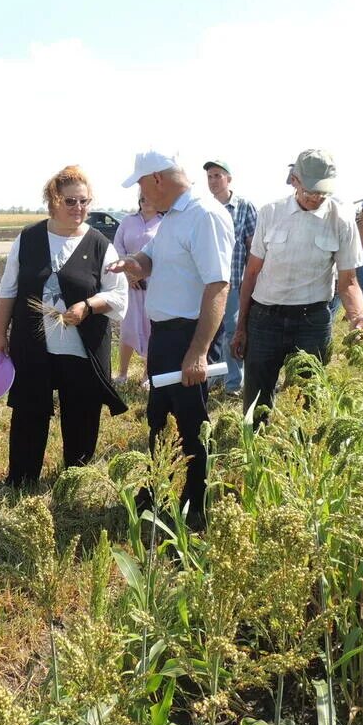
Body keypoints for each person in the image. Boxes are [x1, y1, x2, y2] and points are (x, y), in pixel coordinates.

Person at [108, 151, 233, 530]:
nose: (142, 194)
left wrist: (197, 352)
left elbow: (218, 285)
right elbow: (151, 259)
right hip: (164, 335)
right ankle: (157, 487)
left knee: (192, 423)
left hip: (188, 336)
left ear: (158, 179)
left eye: (142, 184)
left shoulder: (204, 216)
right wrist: (134, 264)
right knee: (158, 417)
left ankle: (197, 503)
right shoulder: (173, 218)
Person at [0, 165, 128, 488]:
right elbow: (8, 289)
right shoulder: (28, 239)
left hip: (82, 350)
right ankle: (22, 481)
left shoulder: (99, 245)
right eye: (71, 202)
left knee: (81, 413)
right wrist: (0, 334)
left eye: (85, 202)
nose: (79, 209)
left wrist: (89, 305)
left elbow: (119, 296)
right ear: (53, 200)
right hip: (33, 347)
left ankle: (75, 482)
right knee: (29, 412)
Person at [231, 150, 363, 423]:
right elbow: (252, 273)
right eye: (309, 190)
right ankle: (255, 452)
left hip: (311, 322)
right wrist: (241, 326)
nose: (315, 197)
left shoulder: (341, 219)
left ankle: (301, 454)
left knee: (308, 400)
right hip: (264, 319)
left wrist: (358, 315)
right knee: (256, 401)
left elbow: (349, 281)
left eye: (322, 191)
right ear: (294, 180)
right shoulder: (271, 213)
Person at [203, 160, 257, 396]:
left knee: (232, 332)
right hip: (206, 283)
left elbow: (252, 248)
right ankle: (216, 376)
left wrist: (251, 283)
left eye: (217, 175)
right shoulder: (203, 208)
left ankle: (234, 383)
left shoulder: (244, 207)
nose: (213, 181)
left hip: (233, 282)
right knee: (208, 332)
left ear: (229, 179)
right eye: (210, 176)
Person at [113, 195, 161, 387]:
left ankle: (147, 376)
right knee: (128, 328)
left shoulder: (164, 223)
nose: (145, 200)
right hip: (129, 286)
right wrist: (127, 273)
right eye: (142, 197)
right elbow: (117, 248)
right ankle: (122, 374)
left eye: (148, 197)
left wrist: (142, 273)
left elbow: (164, 252)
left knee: (151, 329)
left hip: (154, 285)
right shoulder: (127, 221)